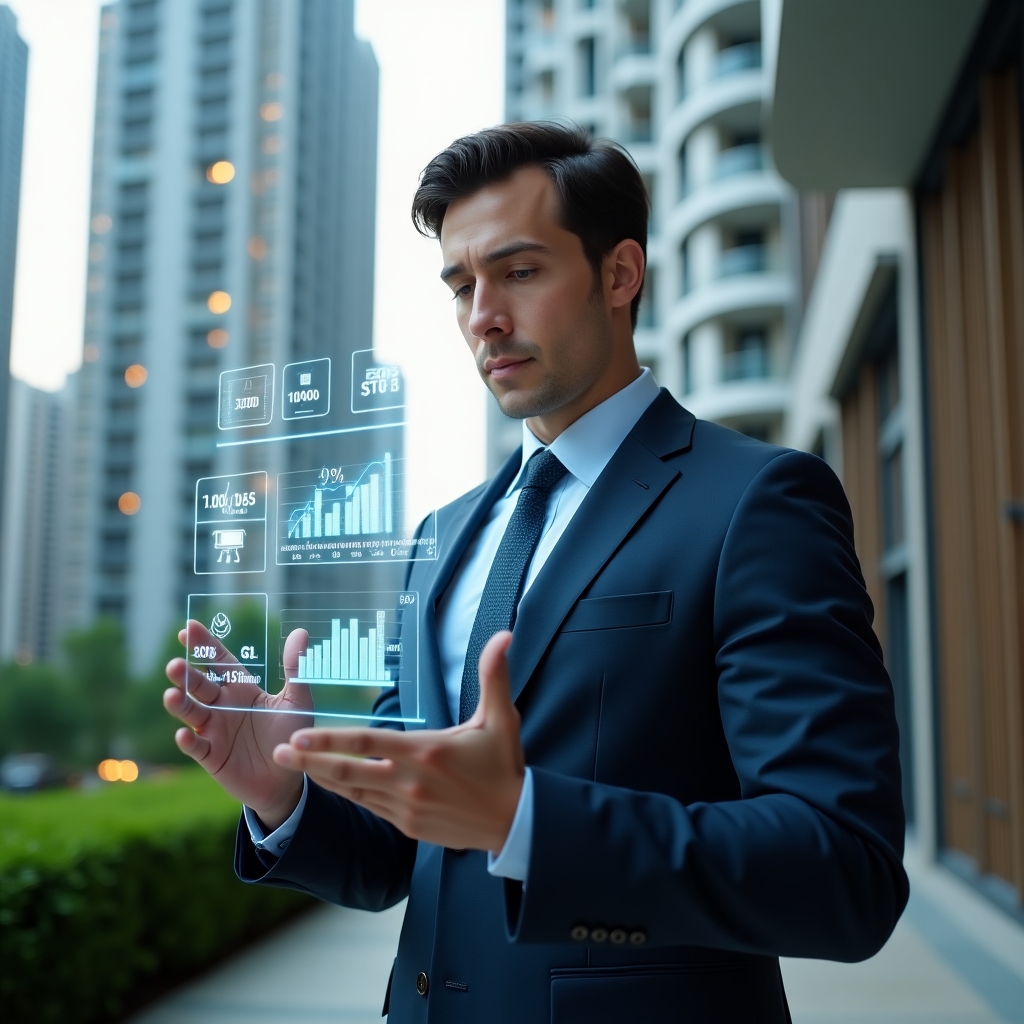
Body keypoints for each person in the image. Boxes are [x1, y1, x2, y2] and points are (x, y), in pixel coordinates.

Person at [165, 122, 908, 1023]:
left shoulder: (757, 501)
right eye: (461, 286)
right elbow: (402, 853)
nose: (483, 316)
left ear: (619, 274)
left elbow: (844, 868)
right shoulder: (444, 535)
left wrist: (526, 821)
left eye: (518, 271)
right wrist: (282, 793)